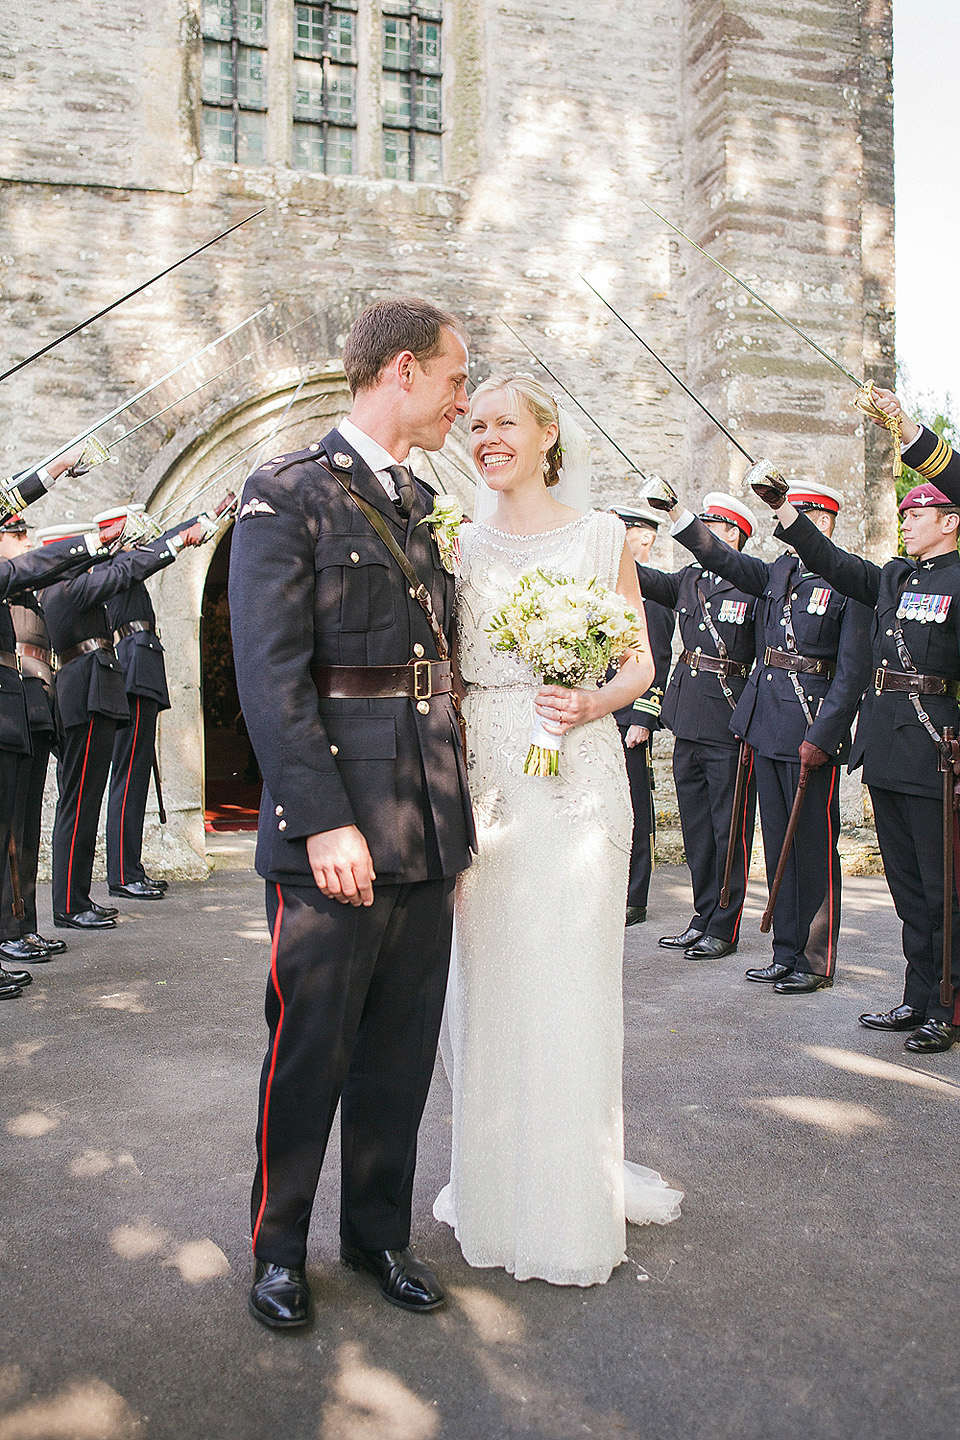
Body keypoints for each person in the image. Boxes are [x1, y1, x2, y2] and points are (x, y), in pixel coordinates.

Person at [230, 297, 476, 1329]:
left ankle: (378, 1234)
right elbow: (272, 674)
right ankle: (278, 1249)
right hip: (335, 823)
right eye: (459, 380)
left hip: (425, 818)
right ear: (405, 370)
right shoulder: (286, 494)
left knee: (400, 1052)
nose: (466, 401)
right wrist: (321, 819)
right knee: (311, 1046)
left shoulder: (422, 501)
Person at [434, 375, 682, 1288]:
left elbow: (639, 660)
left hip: (578, 778)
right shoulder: (454, 541)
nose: (486, 435)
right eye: (477, 423)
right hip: (488, 777)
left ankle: (571, 1198)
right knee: (494, 982)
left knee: (571, 982)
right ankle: (497, 1190)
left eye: (505, 422)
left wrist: (593, 700)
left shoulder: (602, 535)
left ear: (547, 436)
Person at [763, 481, 960, 1053]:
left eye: (917, 515)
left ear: (949, 522)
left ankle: (946, 1005)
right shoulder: (895, 577)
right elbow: (833, 561)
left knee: (942, 889)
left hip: (935, 750)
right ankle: (917, 997)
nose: (906, 523)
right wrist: (784, 511)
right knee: (907, 889)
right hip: (887, 750)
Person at [664, 482, 873, 993]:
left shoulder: (850, 580)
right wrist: (678, 515)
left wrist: (825, 736)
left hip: (810, 726)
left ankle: (816, 959)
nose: (785, 524)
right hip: (766, 723)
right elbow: (726, 560)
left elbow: (850, 674)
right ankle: (786, 950)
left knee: (814, 845)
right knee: (779, 843)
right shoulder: (780, 570)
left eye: (796, 515)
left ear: (821, 522)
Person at [41, 516, 206, 930]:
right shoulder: (66, 589)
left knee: (86, 802)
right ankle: (68, 904)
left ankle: (76, 899)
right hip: (84, 691)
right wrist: (173, 543)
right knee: (78, 805)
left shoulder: (72, 588)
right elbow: (126, 569)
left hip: (94, 690)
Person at [632, 493, 759, 959]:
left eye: (711, 525)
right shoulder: (690, 580)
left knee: (729, 830)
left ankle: (724, 925)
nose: (702, 532)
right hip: (688, 717)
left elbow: (764, 657)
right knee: (697, 830)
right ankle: (702, 915)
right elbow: (645, 580)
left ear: (732, 534)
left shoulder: (752, 583)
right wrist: (604, 543)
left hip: (727, 722)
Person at [105, 506, 223, 900]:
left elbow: (157, 545)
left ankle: (130, 867)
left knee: (137, 774)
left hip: (144, 669)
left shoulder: (128, 561)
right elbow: (153, 552)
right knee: (130, 776)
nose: (142, 540)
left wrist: (208, 516)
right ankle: (123, 873)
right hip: (135, 670)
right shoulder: (120, 564)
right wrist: (179, 538)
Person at [0, 516, 67, 965]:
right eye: (16, 532)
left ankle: (22, 922)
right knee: (9, 830)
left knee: (23, 829)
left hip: (30, 706)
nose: (27, 540)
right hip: (15, 701)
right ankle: (11, 926)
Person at [609, 501, 675, 926]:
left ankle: (635, 897)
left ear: (645, 538)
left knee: (635, 807)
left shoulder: (652, 597)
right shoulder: (613, 590)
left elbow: (660, 660)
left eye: (625, 530)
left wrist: (643, 717)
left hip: (630, 718)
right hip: (604, 713)